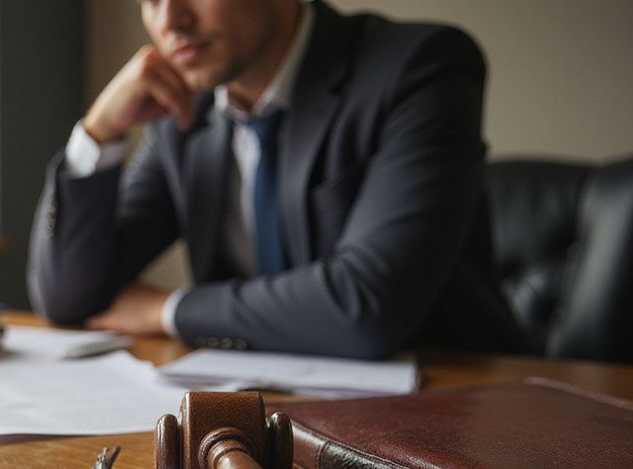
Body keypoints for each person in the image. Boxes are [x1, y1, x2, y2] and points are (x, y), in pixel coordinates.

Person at [27, 0, 527, 358]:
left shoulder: (420, 67)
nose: (169, 19)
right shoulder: (185, 113)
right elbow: (70, 298)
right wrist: (99, 132)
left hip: (453, 412)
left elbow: (366, 308)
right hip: (262, 414)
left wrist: (166, 310)